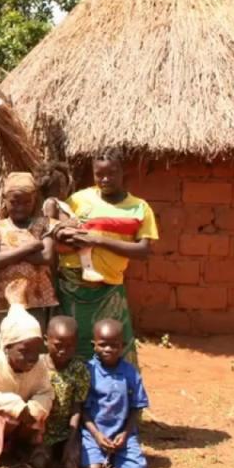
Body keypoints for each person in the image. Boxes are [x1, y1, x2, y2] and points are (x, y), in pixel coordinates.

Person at [54, 149, 158, 362]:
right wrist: (64, 235)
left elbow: (143, 251)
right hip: (72, 287)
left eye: (111, 173)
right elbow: (57, 230)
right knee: (71, 348)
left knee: (113, 351)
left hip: (109, 289)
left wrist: (98, 240)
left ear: (123, 172)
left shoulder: (139, 208)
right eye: (99, 174)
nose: (105, 179)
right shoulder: (78, 200)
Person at [0, 305, 54, 468]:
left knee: (38, 415)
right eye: (24, 351)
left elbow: (46, 392)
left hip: (22, 419)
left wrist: (33, 409)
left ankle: (18, 447)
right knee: (5, 418)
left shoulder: (39, 365)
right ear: (7, 347)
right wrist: (13, 405)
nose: (32, 357)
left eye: (36, 350)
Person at [0, 172, 57, 358]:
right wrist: (29, 247)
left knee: (33, 351)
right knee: (0, 350)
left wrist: (8, 252)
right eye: (14, 202)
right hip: (2, 301)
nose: (20, 207)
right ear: (5, 199)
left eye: (26, 202)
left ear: (34, 200)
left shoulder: (44, 224)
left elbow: (46, 256)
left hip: (37, 300)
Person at [81, 318, 149, 468]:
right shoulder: (88, 372)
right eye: (103, 345)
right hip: (94, 433)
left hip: (122, 434)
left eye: (114, 345)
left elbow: (136, 407)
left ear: (122, 346)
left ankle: (117, 458)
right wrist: (97, 436)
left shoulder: (130, 372)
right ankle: (105, 459)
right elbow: (82, 409)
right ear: (94, 345)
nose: (108, 349)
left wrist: (125, 434)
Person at [43, 315, 90, 468]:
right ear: (46, 340)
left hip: (68, 431)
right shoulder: (38, 366)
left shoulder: (79, 369)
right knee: (39, 463)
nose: (63, 351)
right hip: (43, 432)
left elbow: (77, 407)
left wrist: (71, 440)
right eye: (58, 345)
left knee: (72, 467)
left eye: (70, 346)